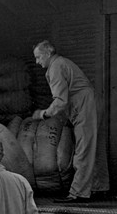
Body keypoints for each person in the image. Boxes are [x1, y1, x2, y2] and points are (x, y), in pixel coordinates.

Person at [31, 40, 100, 202]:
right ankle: (100, 187)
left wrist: (44, 114)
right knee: (94, 148)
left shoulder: (55, 67)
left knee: (83, 150)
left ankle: (78, 193)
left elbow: (60, 100)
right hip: (89, 103)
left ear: (48, 54)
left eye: (39, 57)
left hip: (84, 106)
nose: (37, 61)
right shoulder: (62, 63)